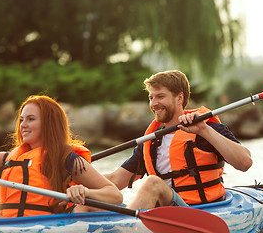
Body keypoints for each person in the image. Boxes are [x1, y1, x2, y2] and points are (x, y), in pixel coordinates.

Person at [104, 70, 252, 210]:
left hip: (200, 209)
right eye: (151, 98)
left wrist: (203, 130)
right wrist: (82, 185)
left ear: (179, 98)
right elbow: (114, 179)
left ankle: (128, 226)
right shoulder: (150, 142)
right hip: (163, 212)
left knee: (153, 183)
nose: (153, 103)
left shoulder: (207, 129)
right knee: (90, 202)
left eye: (160, 96)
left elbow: (245, 163)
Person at [0, 95, 122, 218]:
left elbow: (115, 195)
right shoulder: (4, 159)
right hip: (4, 223)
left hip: (43, 222)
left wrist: (85, 192)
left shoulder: (67, 159)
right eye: (22, 119)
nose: (22, 125)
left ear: (49, 123)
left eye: (31, 119)